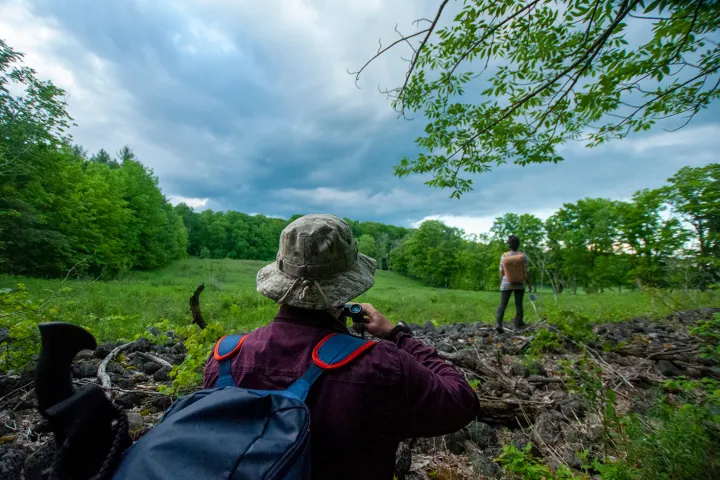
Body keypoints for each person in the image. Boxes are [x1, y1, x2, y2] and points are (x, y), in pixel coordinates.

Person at [204, 214, 480, 480]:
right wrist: (397, 335)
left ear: (281, 281)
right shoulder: (381, 365)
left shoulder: (225, 356)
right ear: (347, 289)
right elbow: (462, 401)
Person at [496, 235, 530, 333]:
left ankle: (499, 324)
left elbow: (501, 271)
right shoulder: (523, 256)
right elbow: (526, 271)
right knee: (519, 304)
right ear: (518, 244)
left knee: (503, 304)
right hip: (520, 283)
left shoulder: (504, 256)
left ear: (509, 245)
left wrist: (501, 282)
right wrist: (529, 284)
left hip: (507, 283)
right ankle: (518, 322)